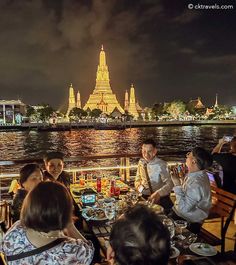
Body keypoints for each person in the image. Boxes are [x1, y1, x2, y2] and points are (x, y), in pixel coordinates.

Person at [1, 181, 94, 264]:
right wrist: (69, 225)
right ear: (67, 211)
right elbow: (89, 252)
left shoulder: (17, 228)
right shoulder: (73, 250)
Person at [169, 147, 213, 234]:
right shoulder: (199, 174)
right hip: (181, 215)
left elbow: (183, 209)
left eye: (189, 154)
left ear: (193, 161)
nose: (187, 156)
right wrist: (182, 179)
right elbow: (189, 195)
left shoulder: (197, 183)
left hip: (187, 222)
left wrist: (177, 184)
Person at [135, 139, 173, 211]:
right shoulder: (141, 162)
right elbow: (137, 178)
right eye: (144, 151)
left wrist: (158, 194)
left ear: (155, 151)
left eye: (149, 151)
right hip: (143, 196)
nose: (146, 155)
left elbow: (170, 184)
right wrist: (138, 187)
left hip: (158, 199)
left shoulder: (161, 164)